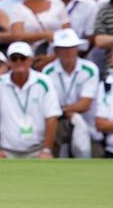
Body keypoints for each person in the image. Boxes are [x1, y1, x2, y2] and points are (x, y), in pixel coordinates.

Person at [0, 42, 61, 159]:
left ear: (30, 60)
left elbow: (52, 118)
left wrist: (46, 150)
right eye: (14, 59)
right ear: (9, 62)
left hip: (37, 150)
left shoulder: (44, 82)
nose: (19, 62)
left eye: (23, 58)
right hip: (7, 151)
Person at [42, 29, 99, 158]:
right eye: (63, 48)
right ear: (56, 51)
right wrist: (64, 112)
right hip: (58, 122)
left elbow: (85, 105)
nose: (68, 52)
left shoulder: (90, 69)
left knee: (91, 156)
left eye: (71, 47)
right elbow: (48, 104)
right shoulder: (48, 71)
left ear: (77, 49)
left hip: (86, 122)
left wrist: (63, 109)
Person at [9, 0, 70, 68]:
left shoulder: (56, 3)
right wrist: (45, 35)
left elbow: (68, 32)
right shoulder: (18, 9)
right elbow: (17, 35)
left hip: (58, 57)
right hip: (31, 59)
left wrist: (52, 57)